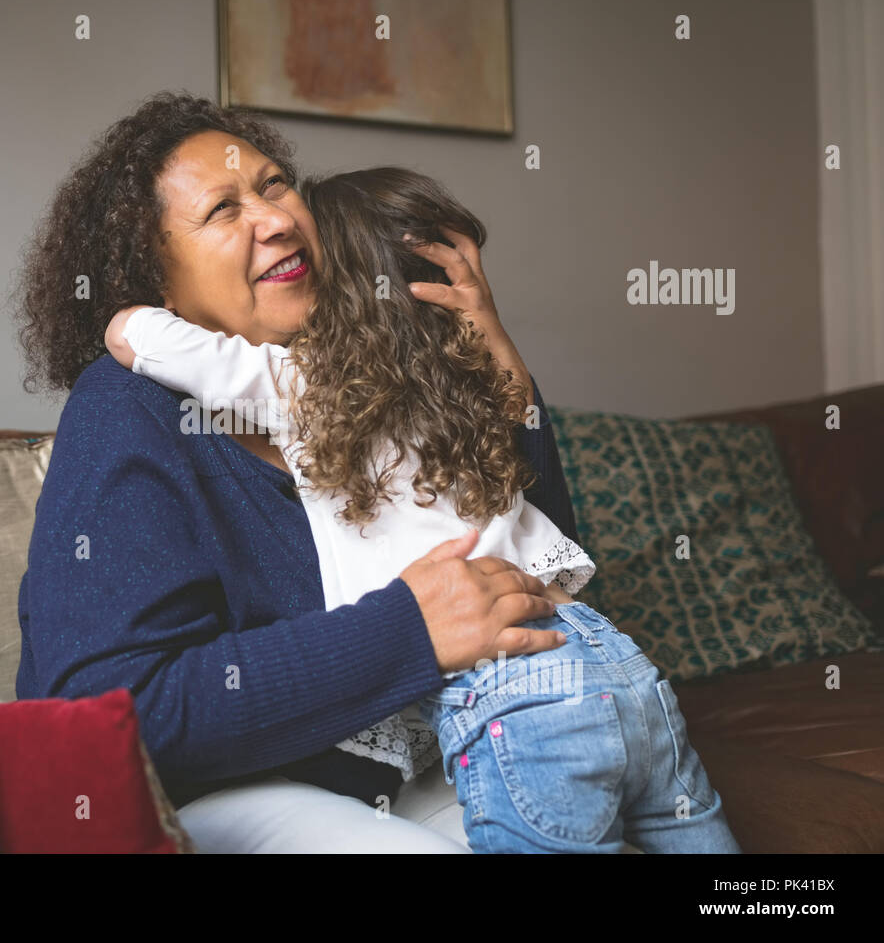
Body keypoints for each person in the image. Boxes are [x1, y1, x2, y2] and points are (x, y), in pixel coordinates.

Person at [14, 91, 598, 851]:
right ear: (154, 281)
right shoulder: (125, 411)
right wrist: (408, 633)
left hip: (425, 762)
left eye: (275, 183)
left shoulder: (371, 374)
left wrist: (492, 357)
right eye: (224, 210)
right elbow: (106, 712)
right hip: (235, 796)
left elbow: (543, 576)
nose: (278, 218)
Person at [100, 166, 742, 853]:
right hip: (623, 668)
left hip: (519, 691)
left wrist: (138, 302)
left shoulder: (301, 390)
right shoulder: (468, 386)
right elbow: (520, 411)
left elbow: (135, 338)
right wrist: (486, 321)